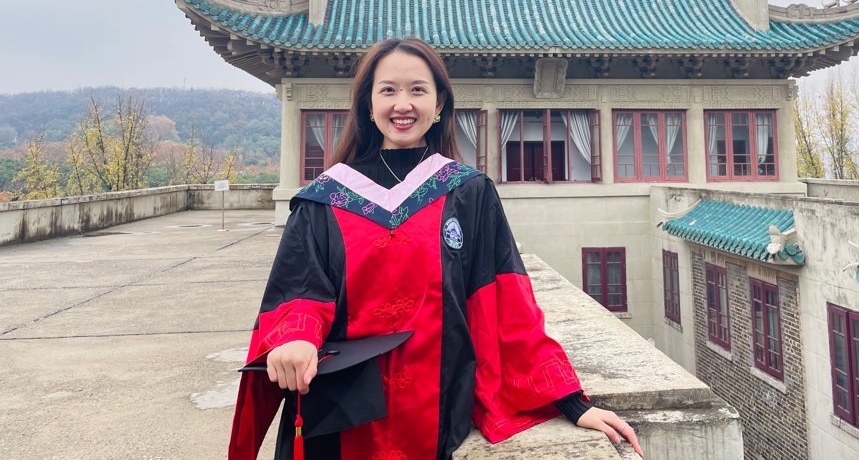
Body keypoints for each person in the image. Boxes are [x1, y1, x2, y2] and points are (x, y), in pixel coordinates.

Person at [228, 37, 642, 460]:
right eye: (388, 90)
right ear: (368, 103)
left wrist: (571, 403)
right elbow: (298, 288)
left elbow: (506, 302)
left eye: (417, 90)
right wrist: (296, 337)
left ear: (439, 103)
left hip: (436, 412)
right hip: (335, 414)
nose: (402, 104)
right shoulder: (325, 198)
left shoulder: (468, 192)